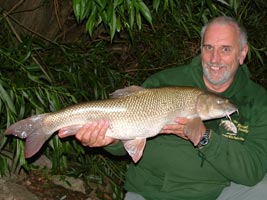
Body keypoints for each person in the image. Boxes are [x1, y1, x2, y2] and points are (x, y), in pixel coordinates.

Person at [59, 16, 267, 199]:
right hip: (154, 192)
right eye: (208, 48)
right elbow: (129, 130)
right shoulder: (165, 81)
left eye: (225, 49)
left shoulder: (257, 100)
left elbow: (254, 170)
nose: (214, 59)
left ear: (242, 53)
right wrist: (110, 140)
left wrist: (205, 138)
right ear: (200, 48)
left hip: (220, 193)